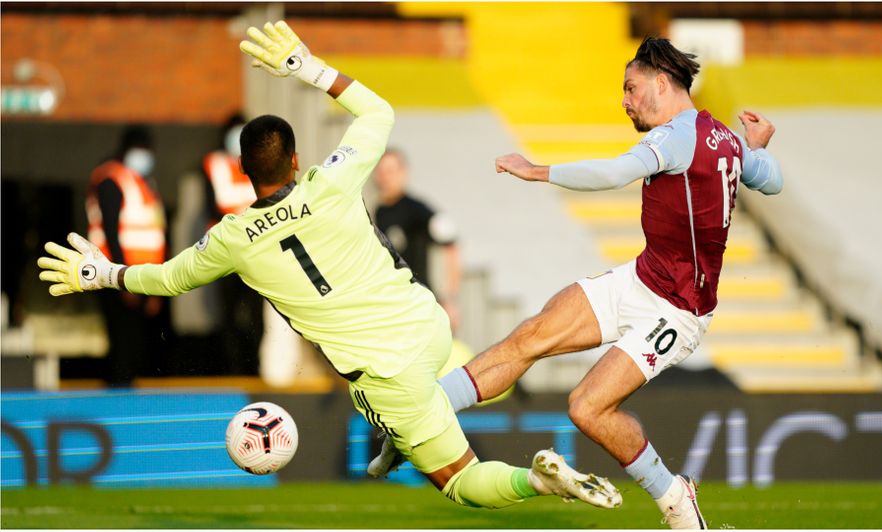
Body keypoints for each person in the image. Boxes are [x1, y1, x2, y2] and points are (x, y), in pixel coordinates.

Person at [38, 21, 620, 511]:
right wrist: (306, 65)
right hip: (426, 324)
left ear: (242, 171)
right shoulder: (332, 181)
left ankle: (536, 479)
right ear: (296, 159)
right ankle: (406, 433)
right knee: (450, 390)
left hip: (382, 373)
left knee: (461, 483)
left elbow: (164, 279)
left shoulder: (233, 238)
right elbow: (378, 113)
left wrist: (102, 273)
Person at [372, 37, 784, 529]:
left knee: (587, 408)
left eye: (631, 89)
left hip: (677, 310)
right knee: (530, 335)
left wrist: (536, 170)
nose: (626, 101)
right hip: (641, 278)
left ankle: (675, 497)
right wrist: (755, 147)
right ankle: (413, 423)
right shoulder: (727, 140)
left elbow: (614, 172)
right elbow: (771, 179)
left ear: (661, 82)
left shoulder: (676, 137)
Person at [86, 124, 167, 386]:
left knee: (135, 343)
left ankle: (126, 391)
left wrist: (156, 286)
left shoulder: (143, 183)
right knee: (121, 340)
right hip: (115, 274)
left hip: (143, 275)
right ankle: (117, 400)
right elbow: (111, 231)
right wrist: (122, 278)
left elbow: (154, 234)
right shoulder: (111, 178)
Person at [202, 112, 264, 376]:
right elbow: (212, 207)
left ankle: (253, 366)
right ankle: (232, 367)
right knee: (228, 313)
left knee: (255, 312)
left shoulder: (259, 163)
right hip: (225, 250)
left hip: (257, 251)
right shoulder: (213, 164)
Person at [372, 149, 462, 328]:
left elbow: (451, 244)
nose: (385, 177)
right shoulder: (379, 211)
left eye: (390, 171)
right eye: (380, 171)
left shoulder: (417, 210)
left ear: (404, 173)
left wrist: (450, 298)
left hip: (419, 299)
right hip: (392, 301)